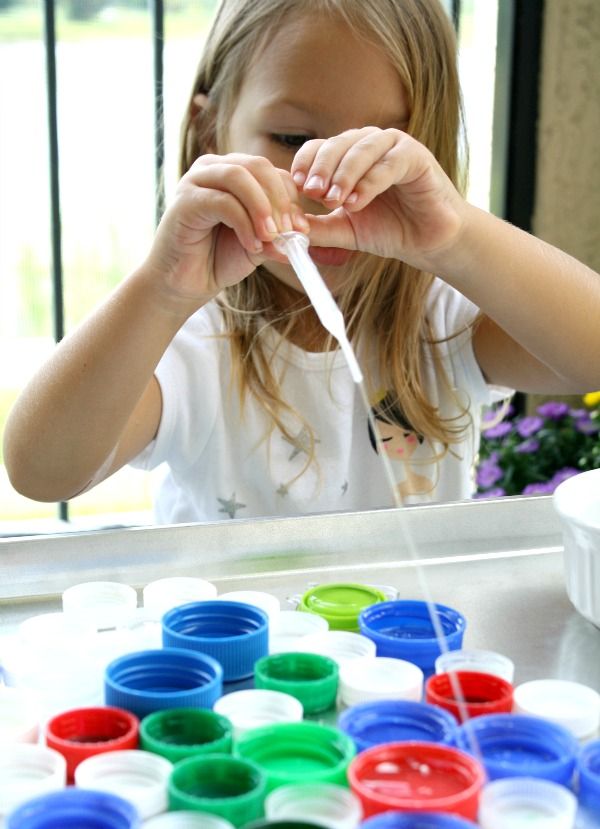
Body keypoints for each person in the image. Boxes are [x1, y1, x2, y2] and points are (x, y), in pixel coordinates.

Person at [4, 0, 600, 524]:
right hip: (237, 650)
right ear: (211, 131)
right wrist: (161, 291)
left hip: (402, 649)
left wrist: (456, 236)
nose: (334, 188)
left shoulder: (445, 316)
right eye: (291, 139)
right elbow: (42, 473)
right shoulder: (188, 338)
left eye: (378, 146)